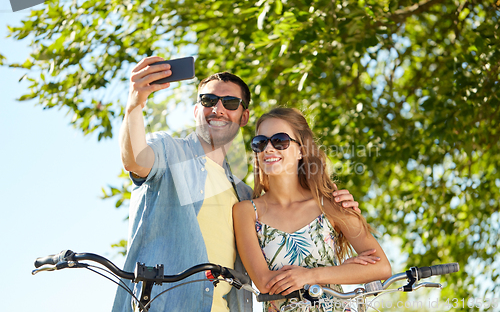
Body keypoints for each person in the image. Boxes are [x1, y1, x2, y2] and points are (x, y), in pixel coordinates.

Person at [112, 57, 362, 312]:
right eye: (208, 101)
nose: (218, 109)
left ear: (244, 117)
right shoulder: (169, 153)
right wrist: (135, 103)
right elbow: (135, 159)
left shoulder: (244, 195)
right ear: (196, 110)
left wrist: (337, 209)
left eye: (230, 103)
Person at [233, 107, 392, 312]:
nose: (269, 149)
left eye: (280, 140)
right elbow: (265, 282)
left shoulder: (331, 204)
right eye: (260, 143)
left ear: (302, 150)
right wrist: (341, 271)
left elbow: (381, 267)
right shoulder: (246, 211)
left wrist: (312, 276)